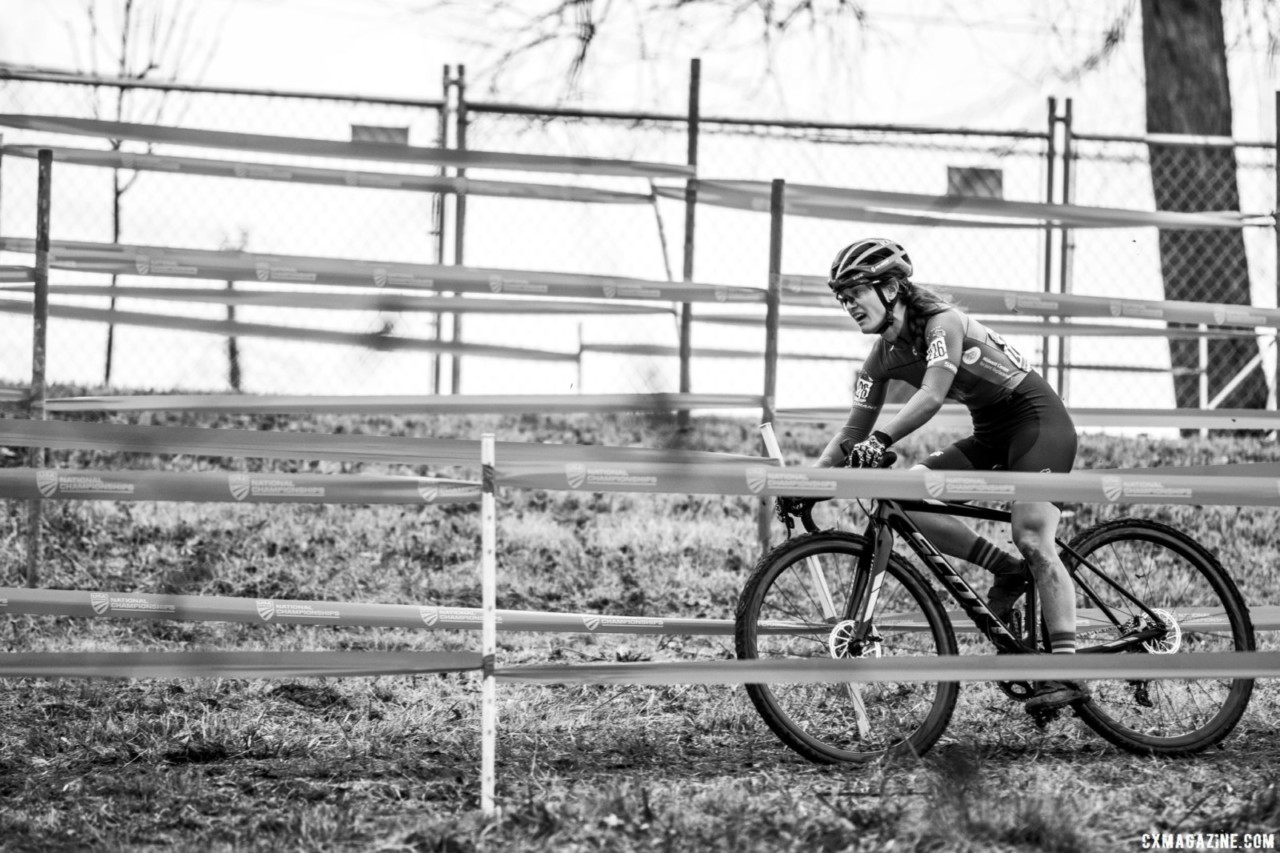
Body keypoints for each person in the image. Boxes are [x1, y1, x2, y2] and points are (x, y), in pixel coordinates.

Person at [812, 237, 1084, 713]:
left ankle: (1066, 669)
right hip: (991, 432)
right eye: (842, 297)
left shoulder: (944, 323)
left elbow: (933, 395)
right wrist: (810, 485)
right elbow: (853, 430)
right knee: (907, 498)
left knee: (1033, 535)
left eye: (855, 291)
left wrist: (883, 440)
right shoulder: (879, 358)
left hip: (1038, 422)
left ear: (893, 287)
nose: (848, 304)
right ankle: (1007, 571)